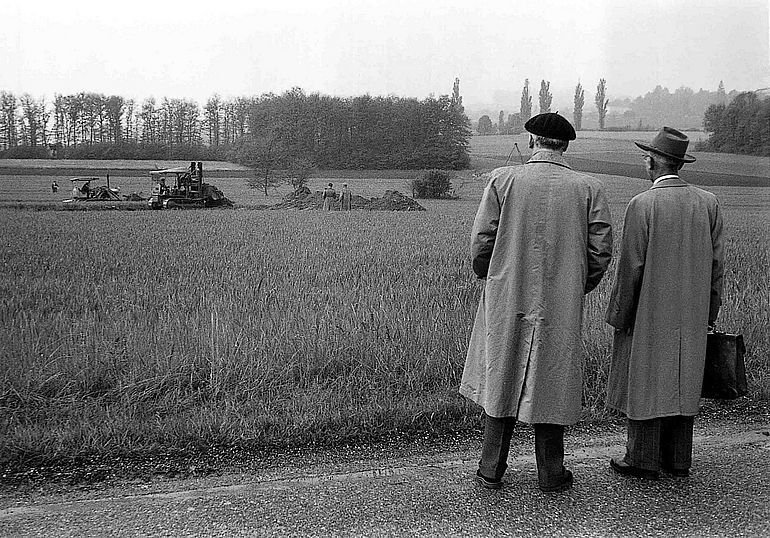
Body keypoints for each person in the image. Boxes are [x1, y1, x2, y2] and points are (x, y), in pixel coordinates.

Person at [460, 112, 613, 492]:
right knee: (553, 375)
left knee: (501, 371)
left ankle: (491, 468)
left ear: (532, 142)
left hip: (506, 292)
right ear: (564, 145)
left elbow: (483, 240)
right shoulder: (589, 187)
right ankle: (551, 473)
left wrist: (491, 275)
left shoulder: (502, 179)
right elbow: (601, 250)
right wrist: (577, 285)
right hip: (560, 298)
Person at [605, 127, 724, 480]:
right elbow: (717, 266)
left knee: (645, 380)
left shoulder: (642, 204)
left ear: (652, 161)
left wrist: (620, 314)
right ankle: (678, 459)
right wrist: (710, 313)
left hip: (649, 313)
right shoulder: (708, 202)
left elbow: (631, 267)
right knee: (683, 379)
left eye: (646, 156)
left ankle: (641, 458)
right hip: (693, 313)